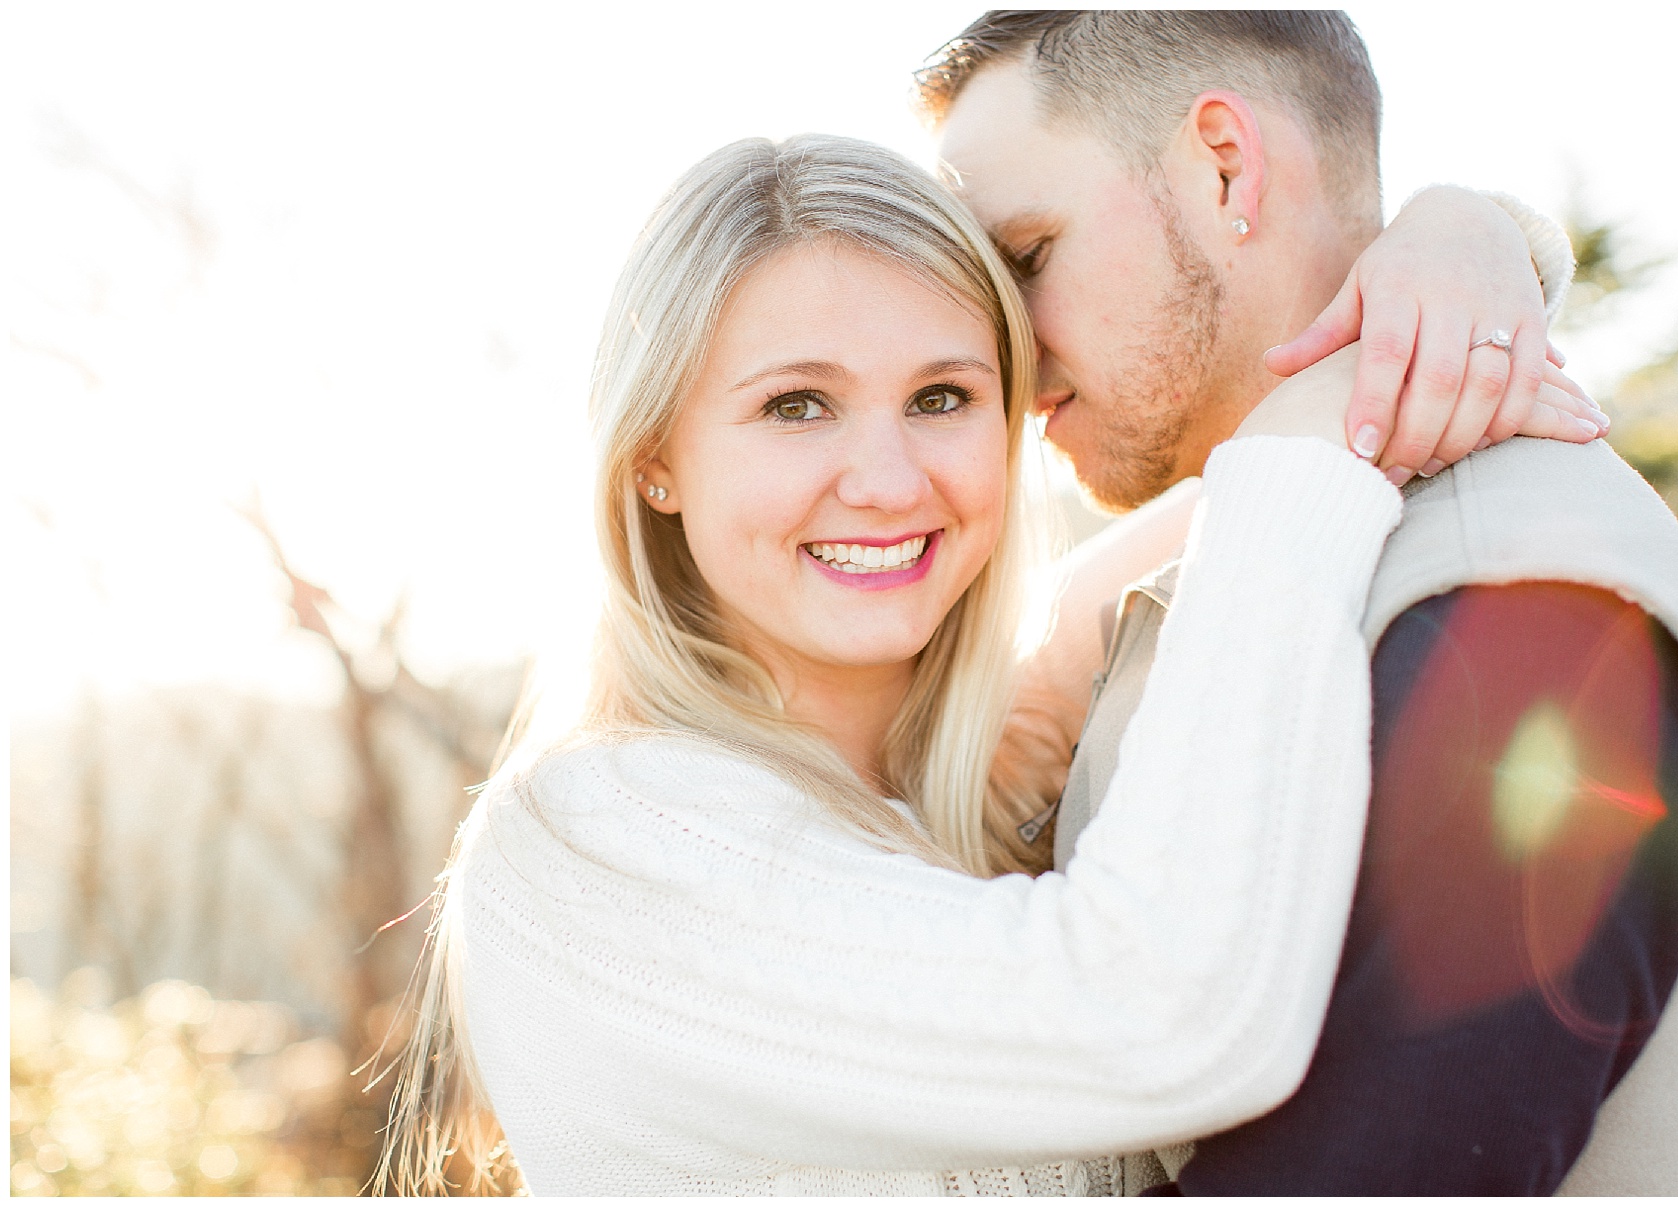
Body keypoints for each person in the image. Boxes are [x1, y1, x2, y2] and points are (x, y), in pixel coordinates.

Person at [374, 132, 1597, 1195]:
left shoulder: (958, 782)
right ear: (654, 457)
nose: (893, 479)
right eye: (797, 404)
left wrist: (1468, 235)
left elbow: (1238, 508)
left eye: (944, 396)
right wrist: (1317, 433)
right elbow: (1161, 1016)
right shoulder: (598, 840)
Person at [919, 10, 1678, 1195]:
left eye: (1026, 256)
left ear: (1227, 165)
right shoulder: (1245, 569)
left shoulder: (1526, 608)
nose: (1003, 357)